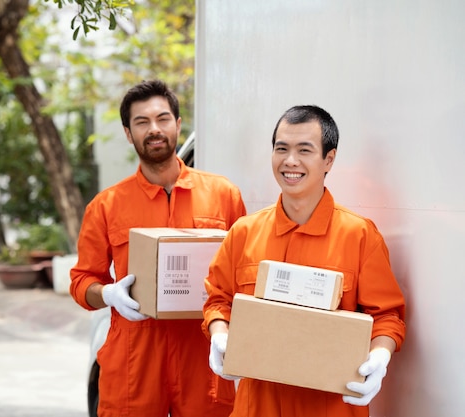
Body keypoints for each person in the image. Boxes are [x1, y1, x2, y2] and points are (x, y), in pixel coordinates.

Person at [203, 105, 406, 417]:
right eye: (281, 149)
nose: (290, 161)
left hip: (329, 406)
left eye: (304, 150)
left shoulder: (359, 236)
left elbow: (387, 316)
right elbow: (218, 299)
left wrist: (380, 355)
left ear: (329, 159)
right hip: (258, 404)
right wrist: (219, 334)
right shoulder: (244, 233)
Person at [70, 79, 247, 417]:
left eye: (163, 119)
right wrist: (108, 295)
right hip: (135, 360)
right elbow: (81, 282)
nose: (154, 129)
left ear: (178, 125)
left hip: (202, 356)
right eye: (142, 122)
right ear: (128, 132)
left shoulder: (223, 195)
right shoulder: (106, 206)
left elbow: (244, 274)